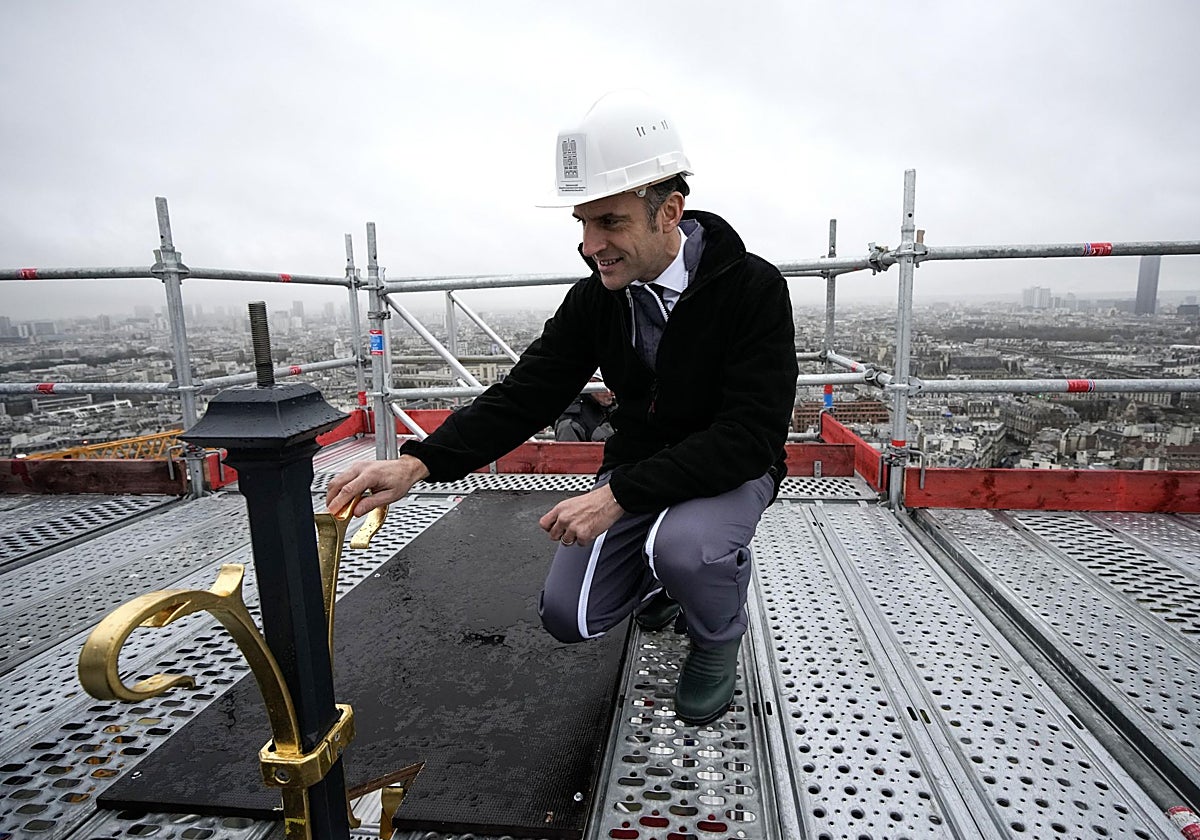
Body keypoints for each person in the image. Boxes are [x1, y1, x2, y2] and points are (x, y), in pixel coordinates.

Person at [326, 90, 798, 726]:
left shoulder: (751, 289)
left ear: (670, 212)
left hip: (732, 470)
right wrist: (420, 463)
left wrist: (618, 496)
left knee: (687, 548)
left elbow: (747, 435)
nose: (588, 244)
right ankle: (663, 582)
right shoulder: (599, 299)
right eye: (582, 222)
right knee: (569, 617)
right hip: (642, 467)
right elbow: (529, 392)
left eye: (609, 223)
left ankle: (716, 636)